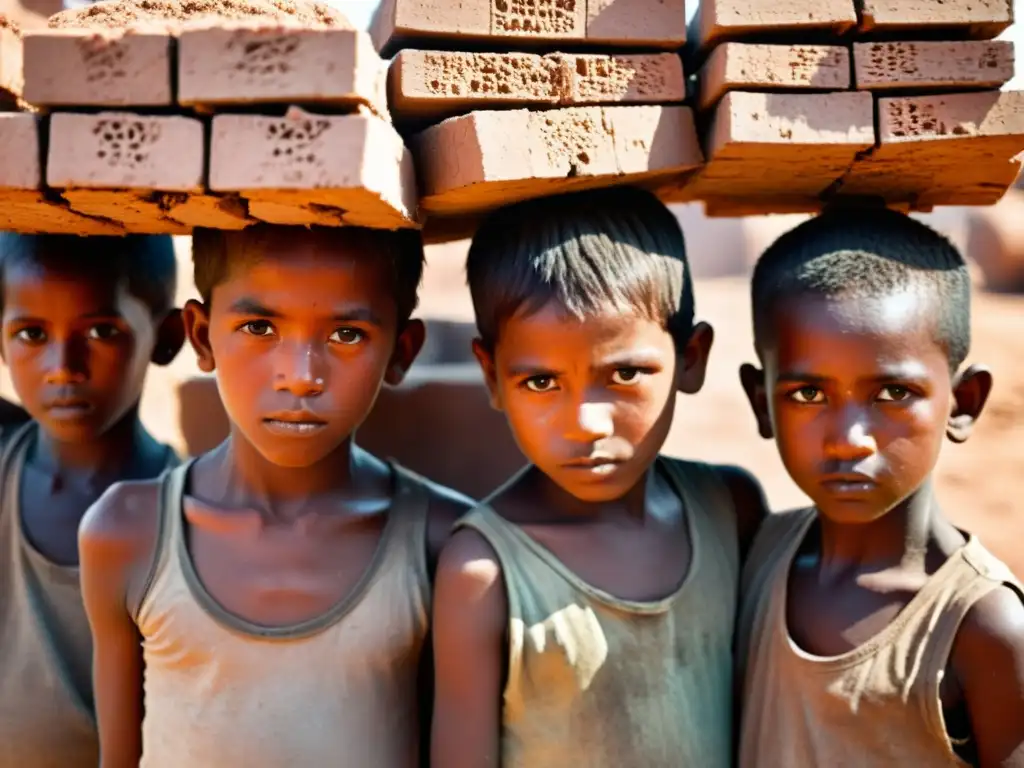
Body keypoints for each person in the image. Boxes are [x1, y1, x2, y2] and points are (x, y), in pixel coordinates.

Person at [79, 225, 472, 768]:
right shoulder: (127, 534)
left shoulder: (446, 545)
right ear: (201, 336)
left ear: (401, 352)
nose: (301, 377)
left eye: (347, 335)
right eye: (259, 326)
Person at [431, 187, 768, 768]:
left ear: (692, 357)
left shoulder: (729, 510)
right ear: (491, 375)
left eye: (626, 374)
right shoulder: (483, 573)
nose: (586, 423)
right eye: (540, 383)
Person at [736, 205, 1024, 767]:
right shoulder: (751, 557)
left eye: (892, 394)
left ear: (963, 404)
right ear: (761, 402)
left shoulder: (982, 626)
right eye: (808, 396)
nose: (849, 439)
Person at [0, 233, 183, 767]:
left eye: (102, 331)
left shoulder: (192, 512)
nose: (63, 366)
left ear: (166, 337)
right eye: (31, 333)